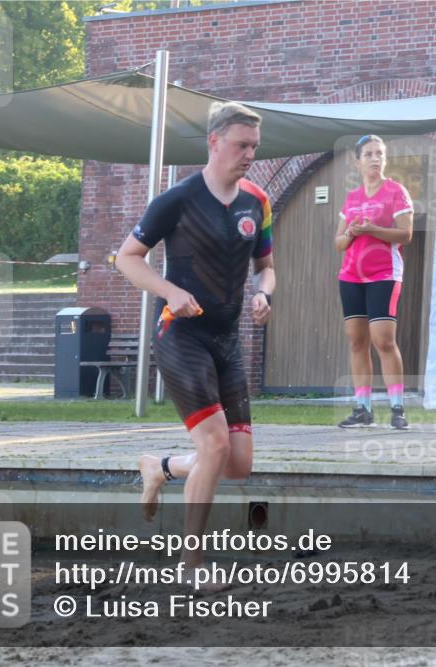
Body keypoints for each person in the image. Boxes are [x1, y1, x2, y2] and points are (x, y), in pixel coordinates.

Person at [116, 101, 275, 579]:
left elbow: (266, 267)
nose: (249, 154)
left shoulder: (257, 202)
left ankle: (159, 467)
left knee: (237, 462)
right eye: (241, 144)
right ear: (214, 141)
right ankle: (190, 565)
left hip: (227, 342)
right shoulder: (178, 199)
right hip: (180, 336)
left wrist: (263, 293)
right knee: (214, 446)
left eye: (254, 147)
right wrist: (170, 290)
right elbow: (127, 257)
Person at [335, 134, 415, 430]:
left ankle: (397, 407)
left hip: (384, 273)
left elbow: (405, 234)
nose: (374, 159)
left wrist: (372, 229)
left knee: (383, 340)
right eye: (368, 154)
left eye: (379, 154)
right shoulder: (352, 197)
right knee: (357, 341)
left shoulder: (396, 191)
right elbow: (339, 243)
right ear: (358, 162)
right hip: (350, 275)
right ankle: (363, 408)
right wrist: (352, 233)